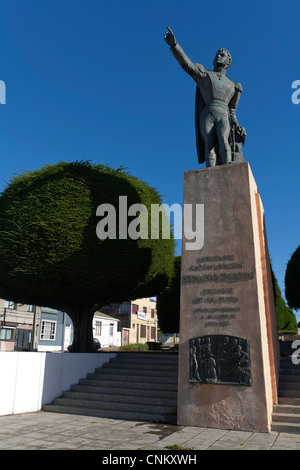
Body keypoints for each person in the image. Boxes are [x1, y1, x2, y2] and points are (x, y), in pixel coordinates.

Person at [164, 27, 245, 167]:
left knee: (223, 139)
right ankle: (211, 172)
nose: (219, 56)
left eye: (223, 55)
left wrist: (237, 126)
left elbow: (232, 110)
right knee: (209, 144)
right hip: (207, 113)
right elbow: (187, 64)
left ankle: (228, 167)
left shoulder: (234, 85)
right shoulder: (204, 75)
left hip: (223, 113)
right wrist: (174, 46)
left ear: (228, 62)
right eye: (217, 54)